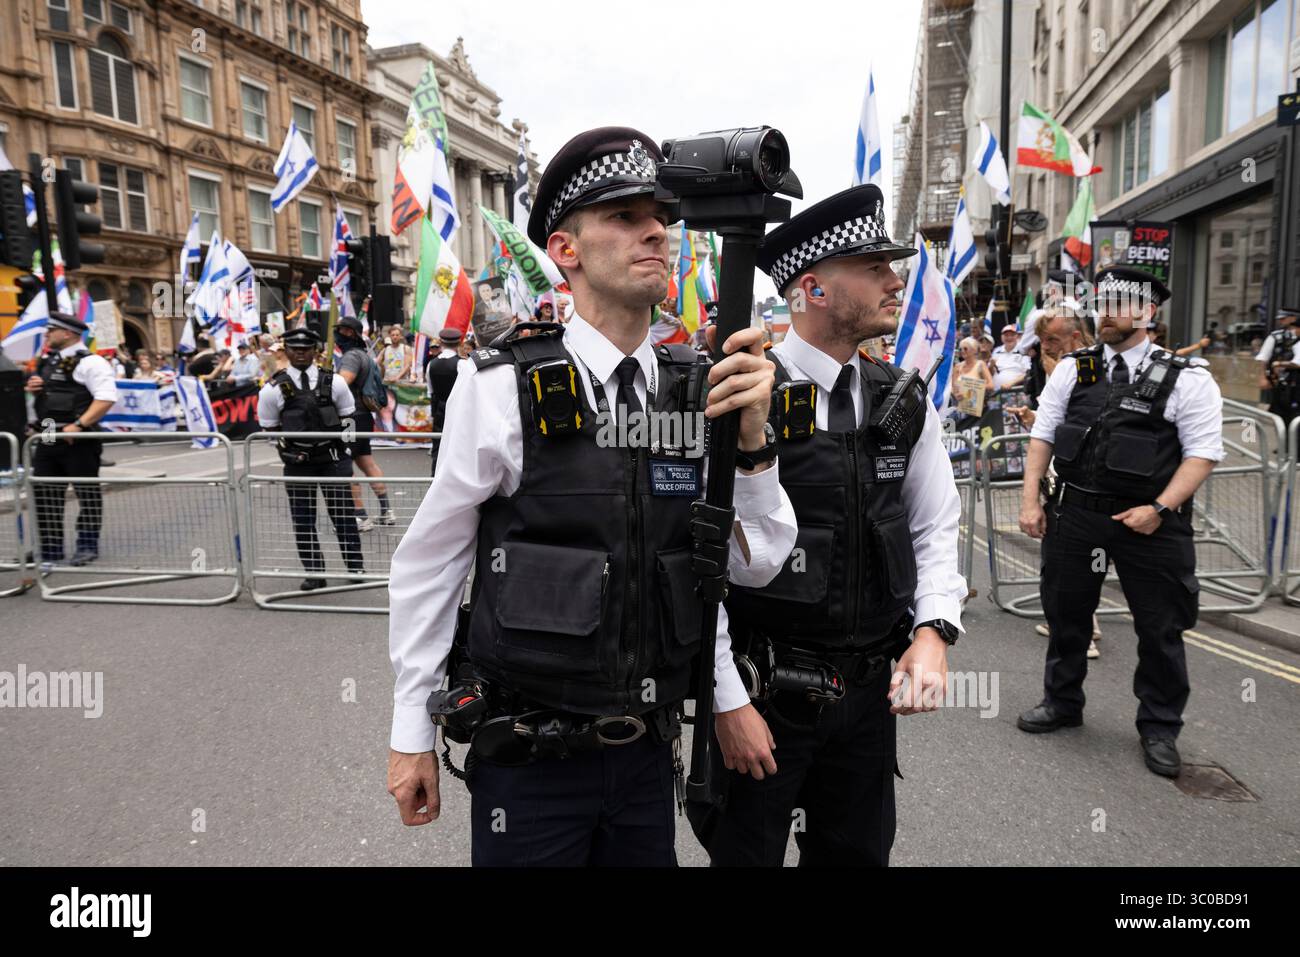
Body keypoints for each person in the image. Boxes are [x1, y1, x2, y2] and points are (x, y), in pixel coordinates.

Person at [385, 126, 797, 867]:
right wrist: (411, 730)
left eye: (662, 218)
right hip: (532, 764)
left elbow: (753, 566)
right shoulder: (501, 386)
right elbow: (433, 563)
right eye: (625, 216)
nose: (656, 233)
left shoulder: (698, 391)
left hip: (645, 759)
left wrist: (756, 447)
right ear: (566, 251)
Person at [701, 183, 966, 867]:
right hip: (764, 694)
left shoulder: (902, 399)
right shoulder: (738, 392)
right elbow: (699, 563)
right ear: (813, 289)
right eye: (874, 267)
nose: (894, 279)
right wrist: (727, 699)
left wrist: (934, 631)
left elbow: (935, 525)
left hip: (866, 697)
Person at [1017, 266, 1224, 778]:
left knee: (1160, 628)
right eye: (1103, 301)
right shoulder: (1073, 369)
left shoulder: (1187, 377)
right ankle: (1062, 702)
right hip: (1077, 514)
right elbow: (1043, 436)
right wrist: (1030, 502)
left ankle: (1159, 725)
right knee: (1066, 616)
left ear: (1147, 312)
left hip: (1149, 523)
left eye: (1120, 303)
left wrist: (1159, 509)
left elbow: (1202, 454)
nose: (1107, 312)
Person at [256, 325, 365, 591]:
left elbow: (348, 419)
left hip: (332, 461)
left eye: (306, 349)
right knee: (303, 519)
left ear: (316, 351)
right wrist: (288, 452)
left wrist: (347, 456)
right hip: (298, 464)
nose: (301, 354)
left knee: (343, 516)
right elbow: (270, 428)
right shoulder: (272, 389)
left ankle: (355, 567)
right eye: (295, 349)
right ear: (287, 351)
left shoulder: (335, 382)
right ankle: (314, 572)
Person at [25, 311, 118, 565]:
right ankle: (51, 548)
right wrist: (35, 389)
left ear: (67, 333)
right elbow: (49, 400)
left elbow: (106, 398)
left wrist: (78, 425)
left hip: (78, 441)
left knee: (86, 493)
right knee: (45, 494)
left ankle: (87, 545)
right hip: (47, 437)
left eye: (51, 330)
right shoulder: (48, 361)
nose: (47, 334)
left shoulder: (92, 362)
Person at [333, 315, 396, 531]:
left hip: (350, 418)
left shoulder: (351, 356)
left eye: (340, 330)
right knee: (366, 462)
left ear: (349, 333)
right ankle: (386, 511)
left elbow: (342, 382)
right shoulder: (365, 355)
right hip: (363, 418)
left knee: (345, 466)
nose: (337, 335)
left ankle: (360, 516)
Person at [425, 327, 465, 476]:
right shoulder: (462, 364)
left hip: (439, 410)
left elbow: (431, 391)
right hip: (458, 410)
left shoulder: (431, 365)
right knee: (457, 446)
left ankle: (435, 478)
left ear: (441, 342)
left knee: (438, 445)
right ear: (459, 342)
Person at [1255, 306, 1300, 424]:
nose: (1280, 321)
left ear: (1293, 318)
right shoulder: (1275, 336)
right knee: (1283, 416)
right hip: (1282, 384)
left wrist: (1279, 364)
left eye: (1284, 318)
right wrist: (1263, 377)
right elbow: (1263, 358)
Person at [950, 336, 994, 415]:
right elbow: (954, 388)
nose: (962, 351)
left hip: (978, 409)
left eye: (965, 348)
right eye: (960, 349)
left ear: (974, 350)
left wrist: (971, 388)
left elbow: (991, 385)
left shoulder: (980, 364)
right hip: (962, 409)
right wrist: (957, 394)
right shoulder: (957, 367)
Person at [990, 324, 1029, 391]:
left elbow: (1027, 373)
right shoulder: (996, 351)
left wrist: (1011, 383)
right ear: (1001, 337)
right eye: (1006, 335)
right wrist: (991, 365)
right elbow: (991, 372)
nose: (1009, 337)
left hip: (1016, 390)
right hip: (996, 392)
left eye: (1012, 335)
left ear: (1017, 336)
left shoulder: (1023, 351)